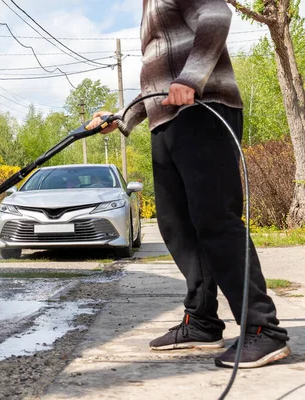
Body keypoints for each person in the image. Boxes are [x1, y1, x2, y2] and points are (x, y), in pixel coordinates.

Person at [87, 0, 290, 368]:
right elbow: (158, 82)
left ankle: (264, 329)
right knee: (176, 226)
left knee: (215, 220)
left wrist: (191, 78)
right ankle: (201, 320)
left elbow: (216, 16)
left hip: (203, 111)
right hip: (167, 122)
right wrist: (121, 118)